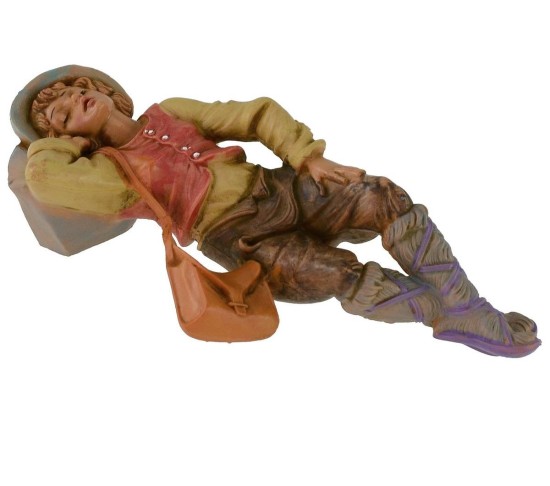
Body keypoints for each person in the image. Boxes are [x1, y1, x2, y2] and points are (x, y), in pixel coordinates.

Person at [11, 65, 541, 357]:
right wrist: (53, 147)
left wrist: (306, 157)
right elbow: (45, 178)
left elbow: (253, 113)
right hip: (241, 238)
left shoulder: (168, 111)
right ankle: (444, 314)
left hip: (280, 187)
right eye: (62, 115)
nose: (76, 101)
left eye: (77, 90)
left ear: (101, 87)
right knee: (335, 274)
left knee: (381, 195)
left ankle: (467, 304)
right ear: (65, 138)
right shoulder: (111, 174)